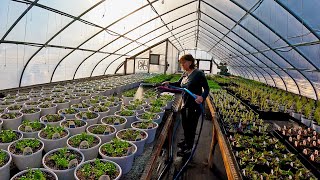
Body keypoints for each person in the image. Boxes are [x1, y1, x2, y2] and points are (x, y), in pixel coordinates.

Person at [163, 54, 209, 156]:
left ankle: (189, 148)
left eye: (183, 62)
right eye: (181, 63)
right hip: (185, 104)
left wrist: (202, 97)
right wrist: (168, 83)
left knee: (191, 127)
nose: (182, 65)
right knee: (185, 125)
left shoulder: (198, 74)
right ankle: (186, 142)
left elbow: (206, 89)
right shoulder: (185, 74)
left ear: (190, 62)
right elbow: (179, 84)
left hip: (195, 106)